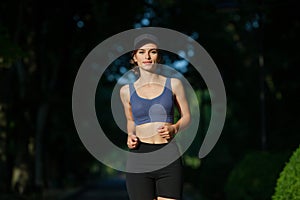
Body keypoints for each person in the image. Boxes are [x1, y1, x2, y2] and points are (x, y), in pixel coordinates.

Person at [120, 33, 191, 200]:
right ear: (134, 57)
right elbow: (130, 121)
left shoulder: (174, 84)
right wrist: (130, 135)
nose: (147, 56)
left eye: (152, 52)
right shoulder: (126, 91)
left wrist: (175, 127)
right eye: (142, 52)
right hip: (139, 157)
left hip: (168, 155)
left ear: (158, 56)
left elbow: (187, 116)